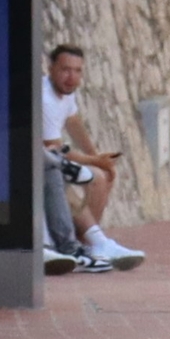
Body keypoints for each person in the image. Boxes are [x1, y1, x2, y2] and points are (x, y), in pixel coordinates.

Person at [42, 45, 146, 271]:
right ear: (50, 69)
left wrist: (95, 155)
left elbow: (73, 121)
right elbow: (55, 148)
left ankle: (88, 245)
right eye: (66, 70)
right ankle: (89, 245)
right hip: (45, 162)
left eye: (78, 71)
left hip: (53, 160)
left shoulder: (66, 93)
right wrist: (96, 162)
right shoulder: (45, 98)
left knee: (102, 176)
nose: (72, 77)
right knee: (95, 176)